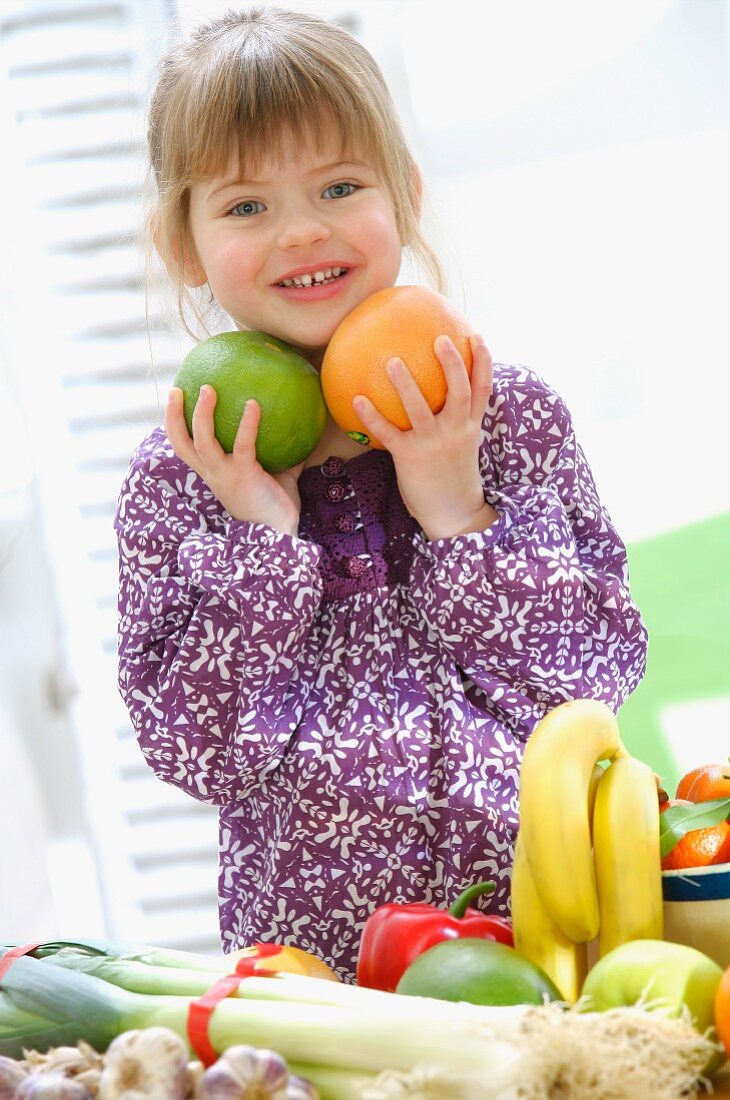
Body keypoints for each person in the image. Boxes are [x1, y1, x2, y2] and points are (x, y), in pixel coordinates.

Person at [115, 5, 648, 982]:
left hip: (549, 939)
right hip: (315, 985)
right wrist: (261, 540)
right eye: (245, 206)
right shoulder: (177, 479)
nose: (302, 230)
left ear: (402, 194)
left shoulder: (508, 417)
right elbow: (195, 750)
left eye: (339, 184)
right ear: (182, 244)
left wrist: (453, 506)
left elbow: (586, 684)